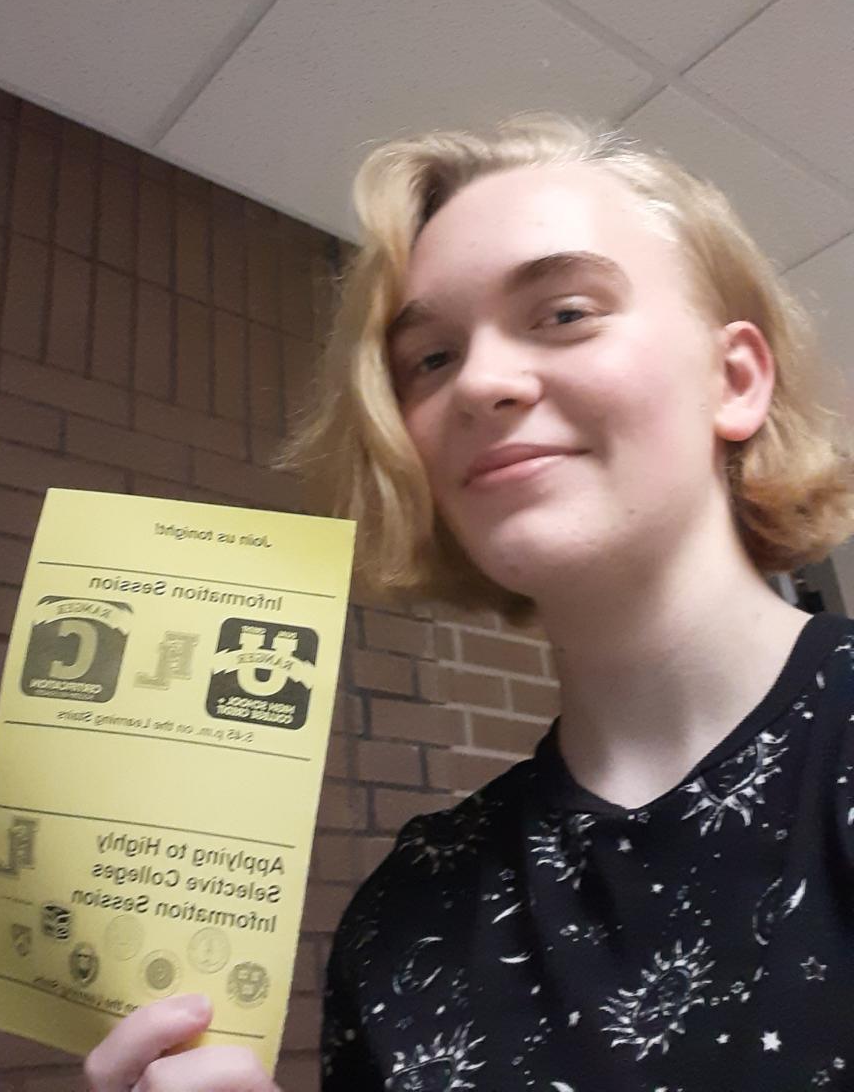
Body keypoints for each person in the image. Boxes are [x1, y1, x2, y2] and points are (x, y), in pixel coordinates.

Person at [84, 113, 854, 1091]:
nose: (481, 381)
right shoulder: (405, 918)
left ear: (734, 379)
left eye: (565, 312)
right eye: (431, 359)